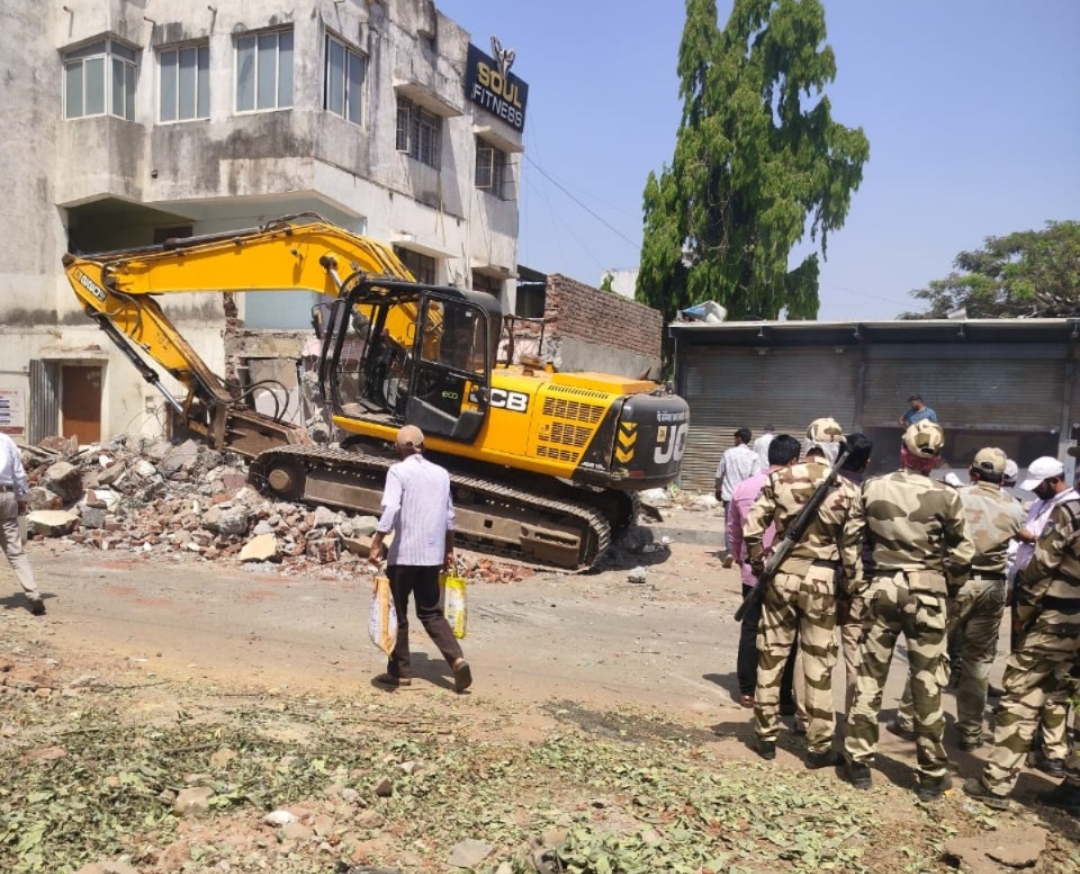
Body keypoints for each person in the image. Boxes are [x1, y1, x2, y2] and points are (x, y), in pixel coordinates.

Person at [841, 421, 974, 801]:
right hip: (928, 592)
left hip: (881, 587)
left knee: (870, 675)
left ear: (902, 451)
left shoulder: (872, 486)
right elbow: (963, 553)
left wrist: (857, 584)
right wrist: (948, 585)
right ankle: (931, 774)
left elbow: (849, 541)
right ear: (935, 458)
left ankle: (859, 761)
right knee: (928, 681)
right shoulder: (946, 496)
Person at [890, 448, 1025, 751]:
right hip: (993, 587)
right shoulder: (1016, 507)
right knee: (978, 662)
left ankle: (909, 719)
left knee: (931, 651)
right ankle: (971, 731)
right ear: (1002, 478)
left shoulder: (956, 496)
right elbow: (1022, 537)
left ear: (973, 472)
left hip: (955, 583)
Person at [743, 418, 858, 768]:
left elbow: (752, 531)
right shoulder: (848, 489)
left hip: (781, 576)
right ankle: (819, 747)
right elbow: (851, 550)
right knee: (818, 664)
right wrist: (850, 589)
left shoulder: (779, 478)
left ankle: (765, 737)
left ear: (808, 443)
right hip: (822, 580)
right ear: (837, 448)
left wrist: (761, 568)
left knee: (771, 656)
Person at [964, 488, 1080, 812]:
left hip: (1061, 620)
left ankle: (997, 784)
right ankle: (1075, 787)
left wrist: (1024, 616)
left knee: (1021, 696)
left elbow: (1042, 565)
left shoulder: (1070, 511)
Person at [367, 425, 472, 693]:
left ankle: (400, 673)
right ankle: (457, 659)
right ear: (424, 446)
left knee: (397, 613)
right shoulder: (441, 474)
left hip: (404, 555)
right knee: (431, 612)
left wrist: (377, 542)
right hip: (432, 555)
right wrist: (448, 550)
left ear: (397, 448)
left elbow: (391, 507)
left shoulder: (397, 471)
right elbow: (449, 516)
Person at [727, 434, 801, 712]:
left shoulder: (744, 488)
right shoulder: (797, 490)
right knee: (786, 632)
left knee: (750, 630)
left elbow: (733, 530)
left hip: (752, 572)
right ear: (793, 460)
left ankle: (747, 691)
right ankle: (783, 696)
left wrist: (740, 558)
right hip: (787, 574)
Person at [833, 433, 874, 714]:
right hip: (861, 578)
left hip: (823, 575)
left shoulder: (824, 487)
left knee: (812, 649)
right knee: (854, 651)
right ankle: (853, 719)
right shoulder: (872, 493)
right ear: (867, 462)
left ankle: (804, 717)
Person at [0, 432, 44, 615]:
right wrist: (22, 499)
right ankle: (33, 593)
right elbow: (19, 474)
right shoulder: (6, 440)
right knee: (15, 550)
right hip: (7, 495)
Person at [715, 428, 762, 512]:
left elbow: (719, 475)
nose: (734, 441)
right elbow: (756, 478)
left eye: (735, 439)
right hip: (746, 499)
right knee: (744, 524)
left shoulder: (728, 453)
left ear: (739, 439)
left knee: (730, 524)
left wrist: (718, 489)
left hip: (730, 497)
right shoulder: (754, 456)